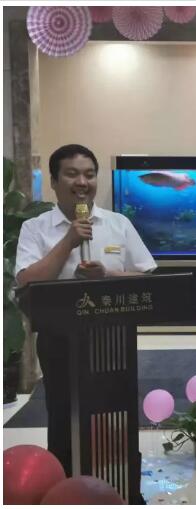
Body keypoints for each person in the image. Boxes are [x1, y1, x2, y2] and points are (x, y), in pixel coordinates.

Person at [15, 144, 157, 476]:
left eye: (90, 174)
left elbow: (146, 275)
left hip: (113, 340)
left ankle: (118, 484)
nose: (82, 182)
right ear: (54, 181)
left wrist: (107, 275)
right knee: (64, 413)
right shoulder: (35, 228)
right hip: (58, 341)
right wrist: (68, 241)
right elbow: (26, 281)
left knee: (114, 412)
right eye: (72, 174)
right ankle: (67, 484)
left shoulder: (118, 223)